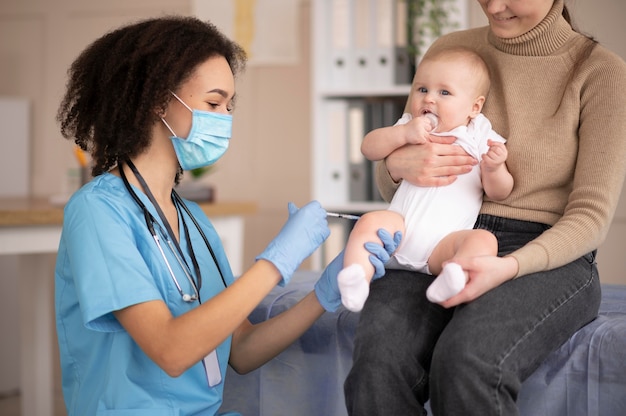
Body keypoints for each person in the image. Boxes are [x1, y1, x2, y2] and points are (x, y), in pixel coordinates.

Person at [54, 16, 401, 416]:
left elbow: (241, 350)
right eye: (213, 103)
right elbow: (171, 349)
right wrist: (276, 261)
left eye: (229, 106)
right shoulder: (98, 212)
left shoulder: (193, 222)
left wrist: (324, 293)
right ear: (157, 100)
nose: (224, 118)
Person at [344, 0, 626, 415]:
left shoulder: (601, 73)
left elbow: (590, 217)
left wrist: (509, 266)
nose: (494, 6)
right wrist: (396, 167)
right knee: (377, 364)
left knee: (466, 362)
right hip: (442, 236)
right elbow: (400, 166)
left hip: (544, 252)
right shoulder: (451, 50)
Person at [338, 47, 513, 312]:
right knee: (370, 221)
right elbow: (368, 147)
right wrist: (403, 135)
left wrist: (494, 168)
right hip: (397, 233)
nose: (429, 99)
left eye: (444, 92)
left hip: (443, 246)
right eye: (422, 90)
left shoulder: (479, 134)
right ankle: (356, 277)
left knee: (483, 241)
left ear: (474, 107)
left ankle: (453, 276)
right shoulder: (409, 124)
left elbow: (500, 192)